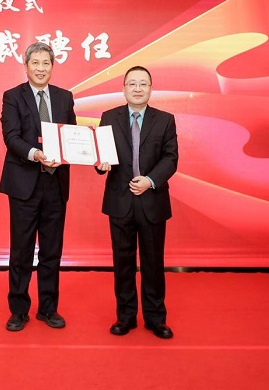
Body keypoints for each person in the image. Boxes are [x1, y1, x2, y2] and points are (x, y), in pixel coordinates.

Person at [0, 42, 77, 332]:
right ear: (26, 66)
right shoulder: (12, 96)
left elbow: (73, 135)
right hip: (24, 184)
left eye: (46, 63)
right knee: (21, 250)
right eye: (36, 63)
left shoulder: (64, 97)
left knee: (52, 250)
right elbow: (11, 136)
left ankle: (48, 308)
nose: (41, 68)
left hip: (55, 183)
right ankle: (19, 310)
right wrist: (36, 154)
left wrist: (84, 152)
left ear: (52, 66)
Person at [96, 65, 178, 338]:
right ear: (124, 88)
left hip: (152, 200)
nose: (138, 88)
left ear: (151, 89)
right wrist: (100, 164)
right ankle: (126, 316)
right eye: (132, 83)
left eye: (143, 83)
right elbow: (101, 156)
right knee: (123, 263)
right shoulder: (109, 117)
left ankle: (156, 318)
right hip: (119, 201)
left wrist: (150, 180)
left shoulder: (165, 120)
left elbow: (170, 158)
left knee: (153, 263)